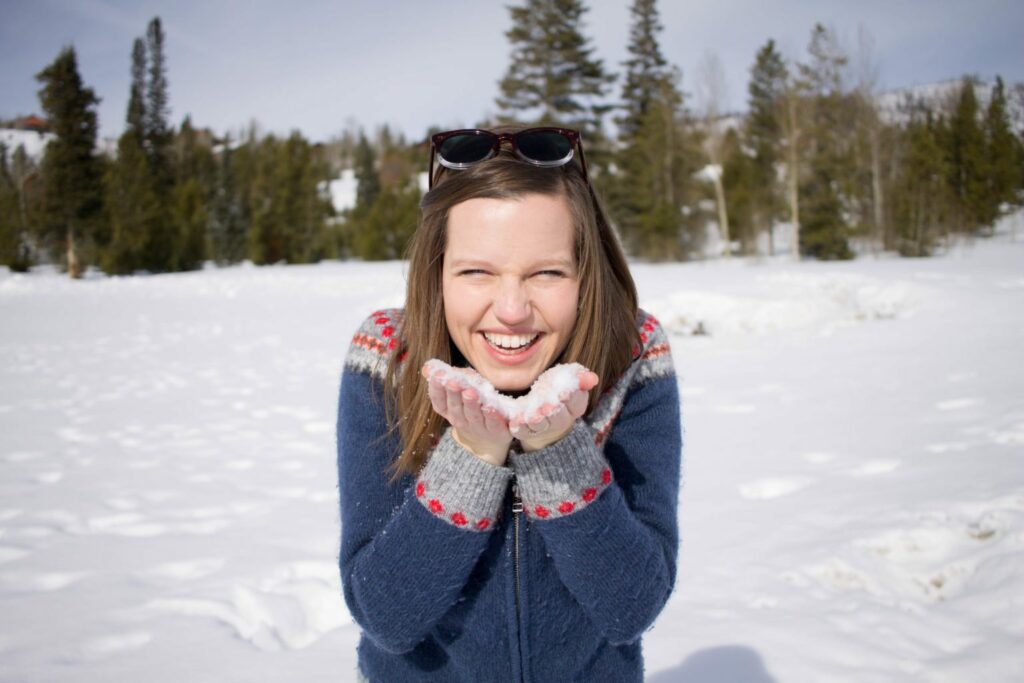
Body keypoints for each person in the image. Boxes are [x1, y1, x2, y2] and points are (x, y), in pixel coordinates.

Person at [336, 125, 682, 682]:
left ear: (584, 273)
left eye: (546, 272)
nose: (513, 309)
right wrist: (472, 455)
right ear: (437, 273)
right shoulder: (387, 359)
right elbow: (385, 615)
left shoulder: (631, 358)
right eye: (477, 272)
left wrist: (555, 450)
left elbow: (631, 608)